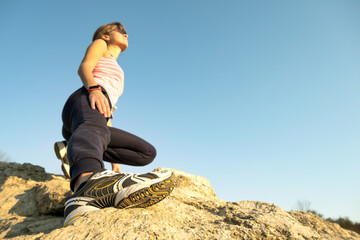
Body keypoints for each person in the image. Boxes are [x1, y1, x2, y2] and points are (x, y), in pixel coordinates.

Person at [60, 22, 175, 227]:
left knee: (146, 153)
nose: (125, 33)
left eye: (126, 31)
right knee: (93, 128)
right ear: (105, 35)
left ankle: (72, 148)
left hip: (98, 115)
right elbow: (84, 67)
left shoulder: (117, 66)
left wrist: (115, 164)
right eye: (119, 30)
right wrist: (94, 88)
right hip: (86, 98)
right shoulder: (100, 45)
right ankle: (86, 185)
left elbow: (106, 115)